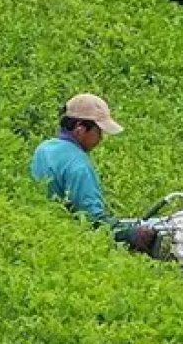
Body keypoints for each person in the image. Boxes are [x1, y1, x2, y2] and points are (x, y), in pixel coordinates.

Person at [30, 93, 156, 253]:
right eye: (98, 132)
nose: (101, 138)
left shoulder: (44, 148)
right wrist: (131, 233)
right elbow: (93, 220)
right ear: (80, 129)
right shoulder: (78, 165)